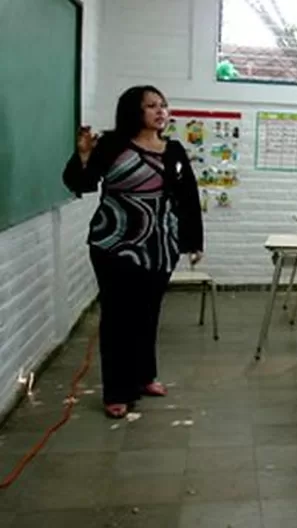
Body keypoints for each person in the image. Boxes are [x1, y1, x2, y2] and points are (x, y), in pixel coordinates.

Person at [62, 85, 204, 419]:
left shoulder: (174, 150)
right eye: (151, 106)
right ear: (133, 111)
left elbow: (188, 198)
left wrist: (193, 242)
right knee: (117, 317)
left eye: (163, 105)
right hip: (114, 244)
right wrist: (83, 155)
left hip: (159, 246)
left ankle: (144, 377)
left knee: (148, 313)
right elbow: (81, 184)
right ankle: (117, 390)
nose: (160, 111)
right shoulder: (111, 145)